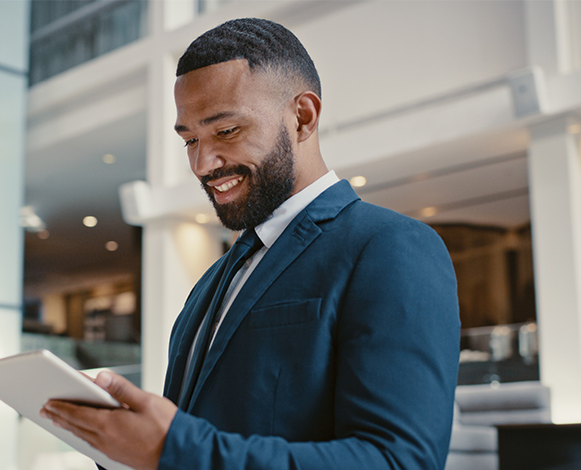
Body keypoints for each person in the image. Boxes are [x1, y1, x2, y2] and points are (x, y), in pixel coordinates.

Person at [41, 18, 460, 470]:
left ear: (303, 117)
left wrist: (175, 449)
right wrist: (121, 444)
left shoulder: (390, 248)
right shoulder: (209, 284)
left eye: (225, 132)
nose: (203, 163)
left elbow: (400, 462)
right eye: (190, 140)